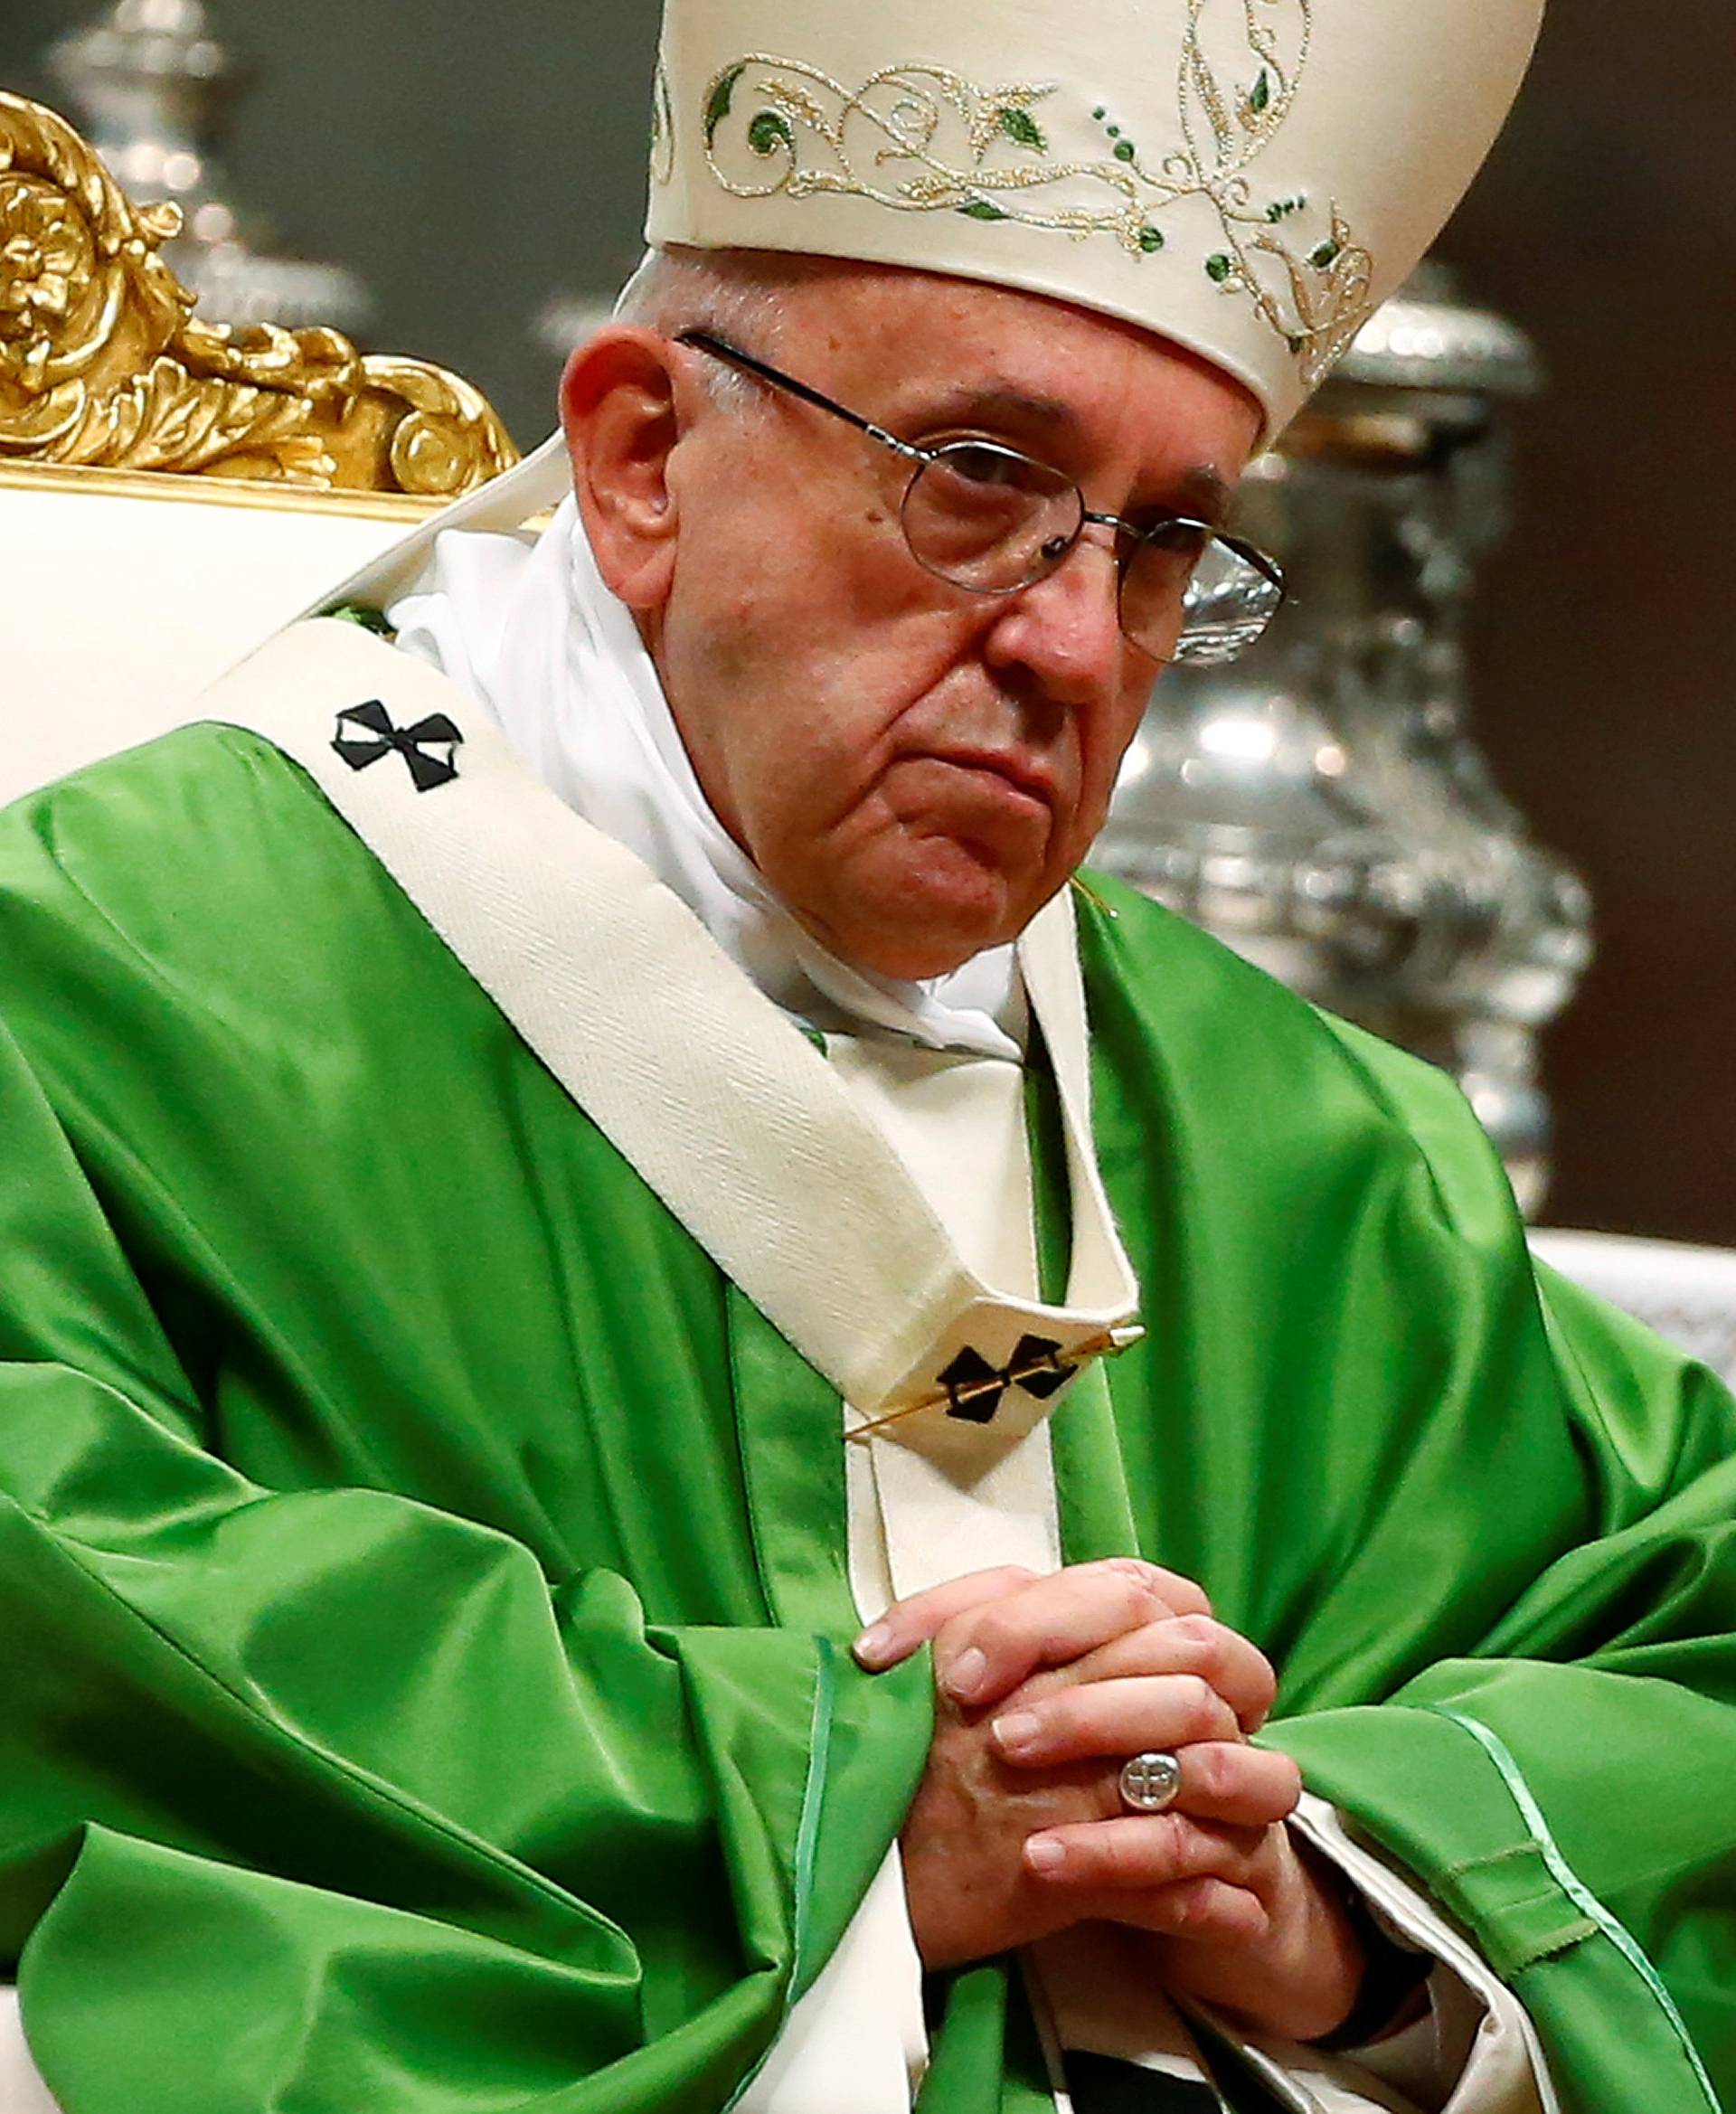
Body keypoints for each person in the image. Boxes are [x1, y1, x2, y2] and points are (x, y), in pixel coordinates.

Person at [1, 2, 1732, 2110]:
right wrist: (845, 1799)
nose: (1077, 648)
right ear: (643, 454)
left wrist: (1339, 1893)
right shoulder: (113, 977)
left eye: (1167, 540)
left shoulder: (1310, 1145)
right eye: (981, 482)